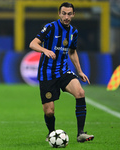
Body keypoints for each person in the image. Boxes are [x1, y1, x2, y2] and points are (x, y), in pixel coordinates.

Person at [29, 2, 94, 142]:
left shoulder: (74, 31)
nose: (66, 16)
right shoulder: (51, 27)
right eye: (64, 13)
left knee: (80, 92)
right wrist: (45, 50)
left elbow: (72, 52)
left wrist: (80, 71)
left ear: (73, 15)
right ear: (59, 13)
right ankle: (51, 134)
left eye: (69, 14)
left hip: (63, 71)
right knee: (49, 111)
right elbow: (33, 43)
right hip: (47, 73)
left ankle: (81, 133)